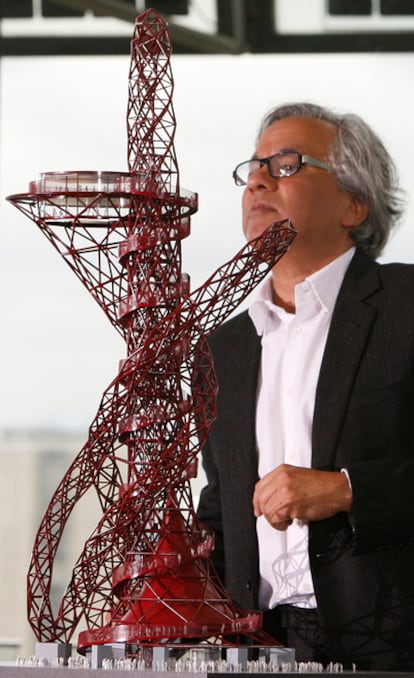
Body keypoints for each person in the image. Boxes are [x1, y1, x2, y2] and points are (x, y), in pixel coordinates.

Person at [196, 102, 414, 670]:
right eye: (254, 168)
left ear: (354, 202)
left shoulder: (406, 306)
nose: (259, 181)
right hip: (259, 648)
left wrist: (346, 490)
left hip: (394, 645)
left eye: (288, 164)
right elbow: (222, 509)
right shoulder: (222, 349)